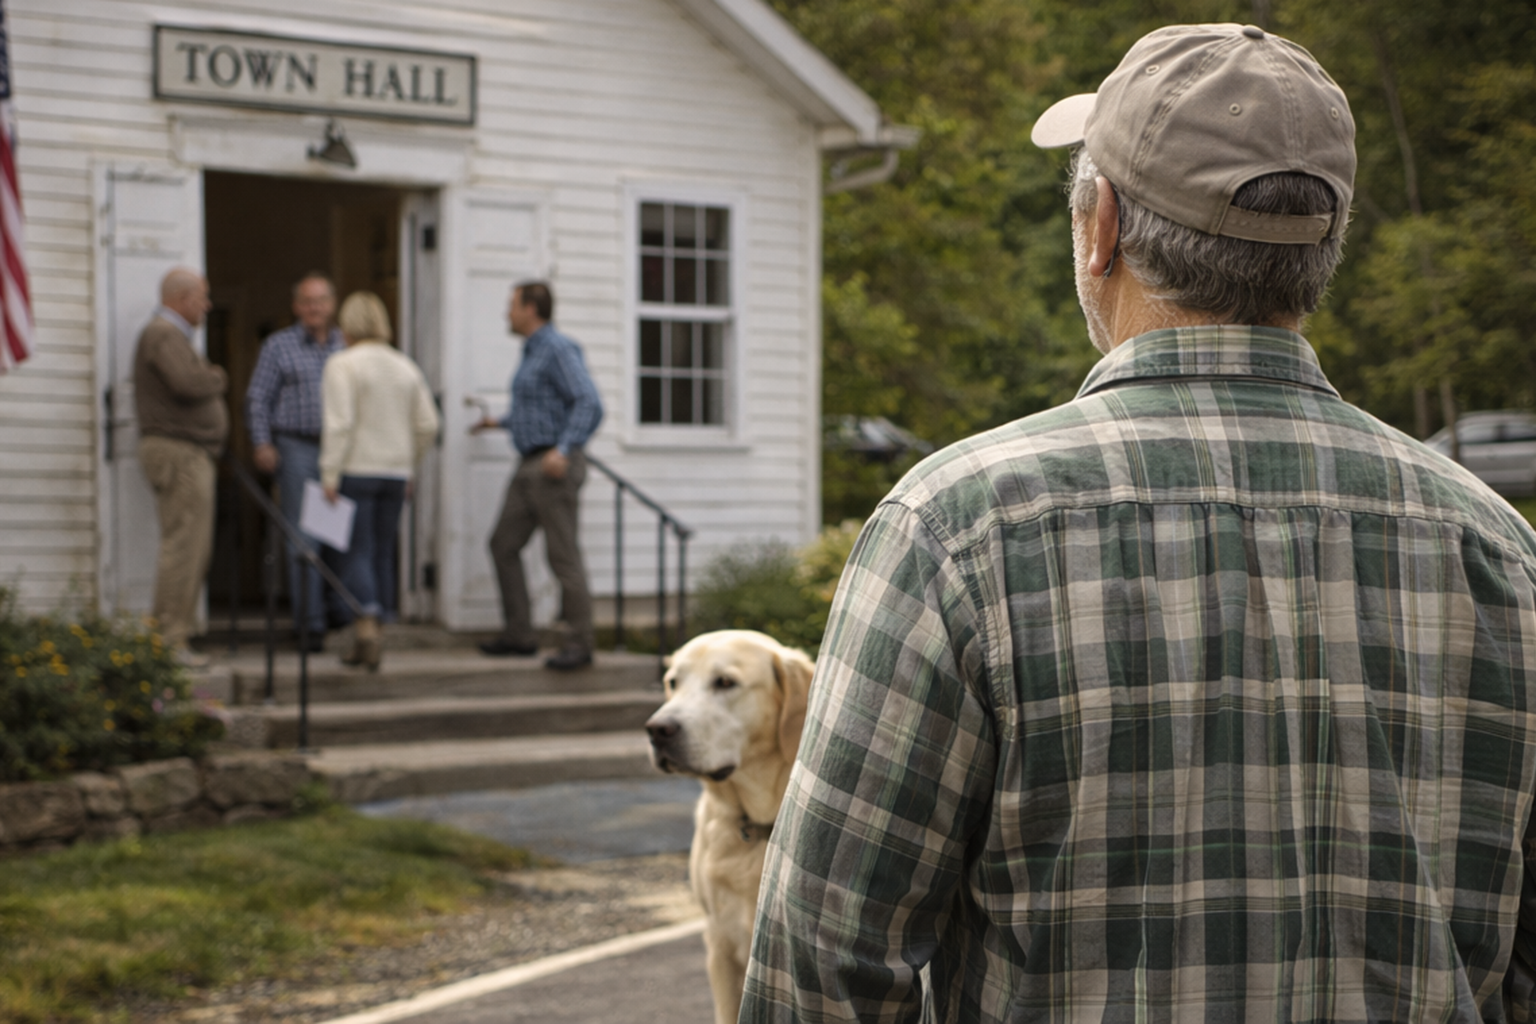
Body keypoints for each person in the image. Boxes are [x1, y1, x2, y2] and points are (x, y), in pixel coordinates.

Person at [741, 24, 1536, 1023]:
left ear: (1101, 227)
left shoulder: (956, 531)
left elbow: (821, 973)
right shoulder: (1496, 551)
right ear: (1322, 250)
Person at [472, 281, 604, 671]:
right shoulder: (531, 351)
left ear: (531, 308)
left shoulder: (557, 347)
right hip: (529, 463)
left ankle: (580, 643)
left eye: (512, 305)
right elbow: (538, 409)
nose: (507, 313)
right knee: (502, 544)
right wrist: (498, 422)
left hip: (552, 467)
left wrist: (563, 449)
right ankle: (519, 635)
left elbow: (589, 402)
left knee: (562, 556)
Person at [318, 291, 440, 671]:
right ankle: (373, 635)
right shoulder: (405, 366)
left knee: (355, 551)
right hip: (395, 474)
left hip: (356, 470)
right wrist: (409, 464)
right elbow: (428, 424)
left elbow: (339, 424)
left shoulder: (343, 364)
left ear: (348, 325)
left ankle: (366, 629)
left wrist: (329, 473)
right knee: (383, 552)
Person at [244, 272, 345, 650]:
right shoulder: (278, 345)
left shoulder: (346, 345)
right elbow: (258, 398)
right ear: (296, 306)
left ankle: (338, 616)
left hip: (338, 450)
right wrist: (262, 443)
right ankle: (310, 624)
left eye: (321, 300)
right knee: (303, 538)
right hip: (296, 446)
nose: (314, 308)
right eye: (307, 301)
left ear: (332, 304)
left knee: (336, 535)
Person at [133, 267, 228, 668]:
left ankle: (174, 637)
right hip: (179, 454)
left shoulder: (172, 335)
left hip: (188, 453)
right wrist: (217, 376)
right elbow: (187, 383)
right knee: (184, 547)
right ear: (183, 298)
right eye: (202, 297)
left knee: (193, 546)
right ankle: (169, 642)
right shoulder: (163, 334)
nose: (207, 305)